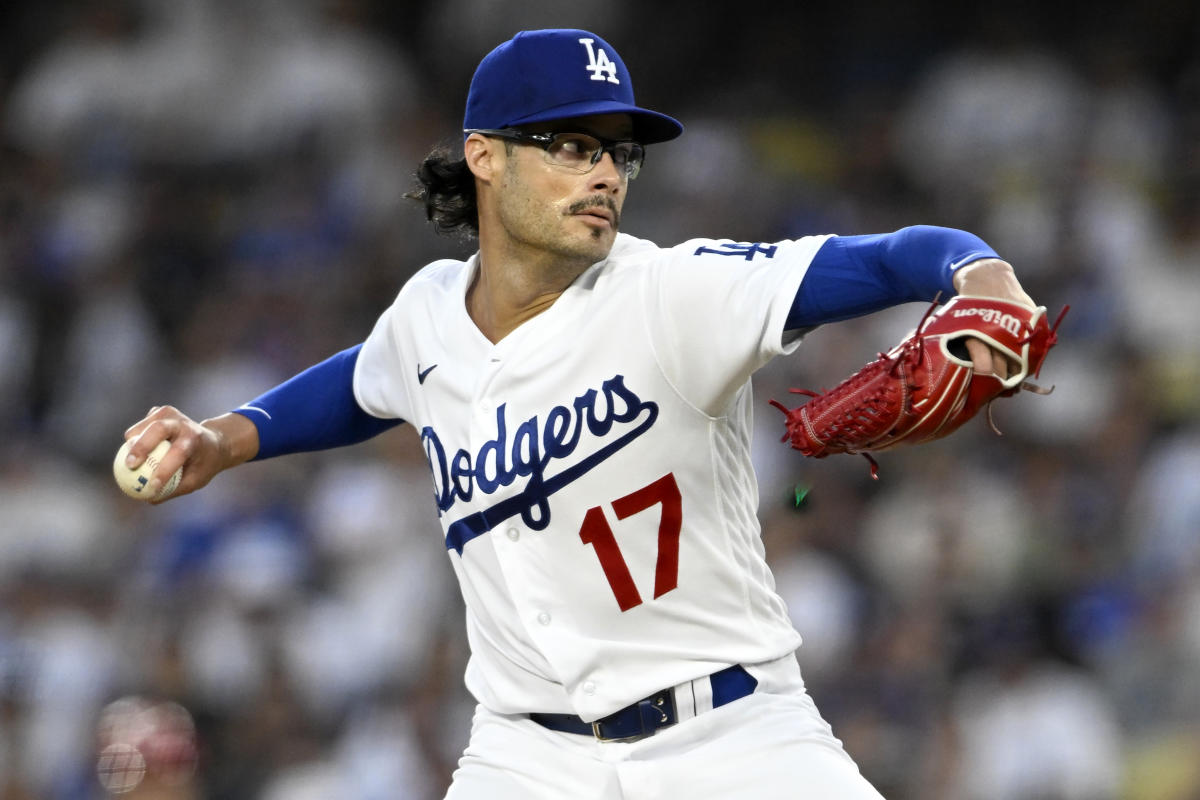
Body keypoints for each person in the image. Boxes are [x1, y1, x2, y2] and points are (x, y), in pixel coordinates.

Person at [120, 29, 1039, 799]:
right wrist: (224, 438)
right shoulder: (429, 313)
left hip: (732, 738)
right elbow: (366, 381)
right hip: (526, 756)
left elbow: (885, 259)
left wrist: (979, 272)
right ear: (484, 155)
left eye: (618, 150)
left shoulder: (672, 293)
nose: (604, 172)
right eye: (571, 145)